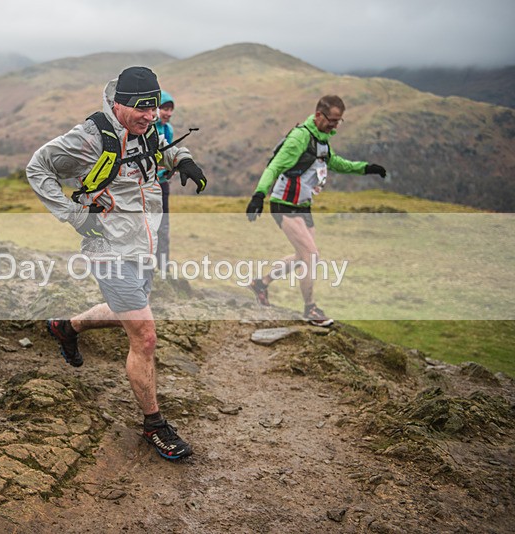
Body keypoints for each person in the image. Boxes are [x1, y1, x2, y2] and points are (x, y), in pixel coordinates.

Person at [26, 66, 207, 461]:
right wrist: (75, 216)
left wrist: (184, 160)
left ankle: (66, 327)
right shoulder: (89, 138)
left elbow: (162, 147)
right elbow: (37, 168)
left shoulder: (148, 126)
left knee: (127, 312)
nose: (149, 116)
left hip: (142, 241)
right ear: (119, 103)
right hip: (106, 246)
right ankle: (153, 425)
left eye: (154, 108)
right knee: (144, 336)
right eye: (141, 109)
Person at [245, 95, 387, 327]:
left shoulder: (322, 140)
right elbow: (275, 166)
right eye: (332, 120)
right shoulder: (300, 137)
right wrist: (259, 195)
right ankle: (310, 309)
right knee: (311, 255)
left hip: (303, 206)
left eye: (339, 121)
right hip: (284, 205)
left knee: (303, 256)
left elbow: (337, 163)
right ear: (319, 115)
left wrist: (367, 168)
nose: (335, 126)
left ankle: (260, 283)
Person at [155, 90, 175, 272]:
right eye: (164, 108)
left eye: (171, 110)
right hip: (144, 186)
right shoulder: (147, 127)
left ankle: (163, 269)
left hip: (162, 185)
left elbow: (168, 155)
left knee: (163, 228)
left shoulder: (168, 130)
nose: (168, 113)